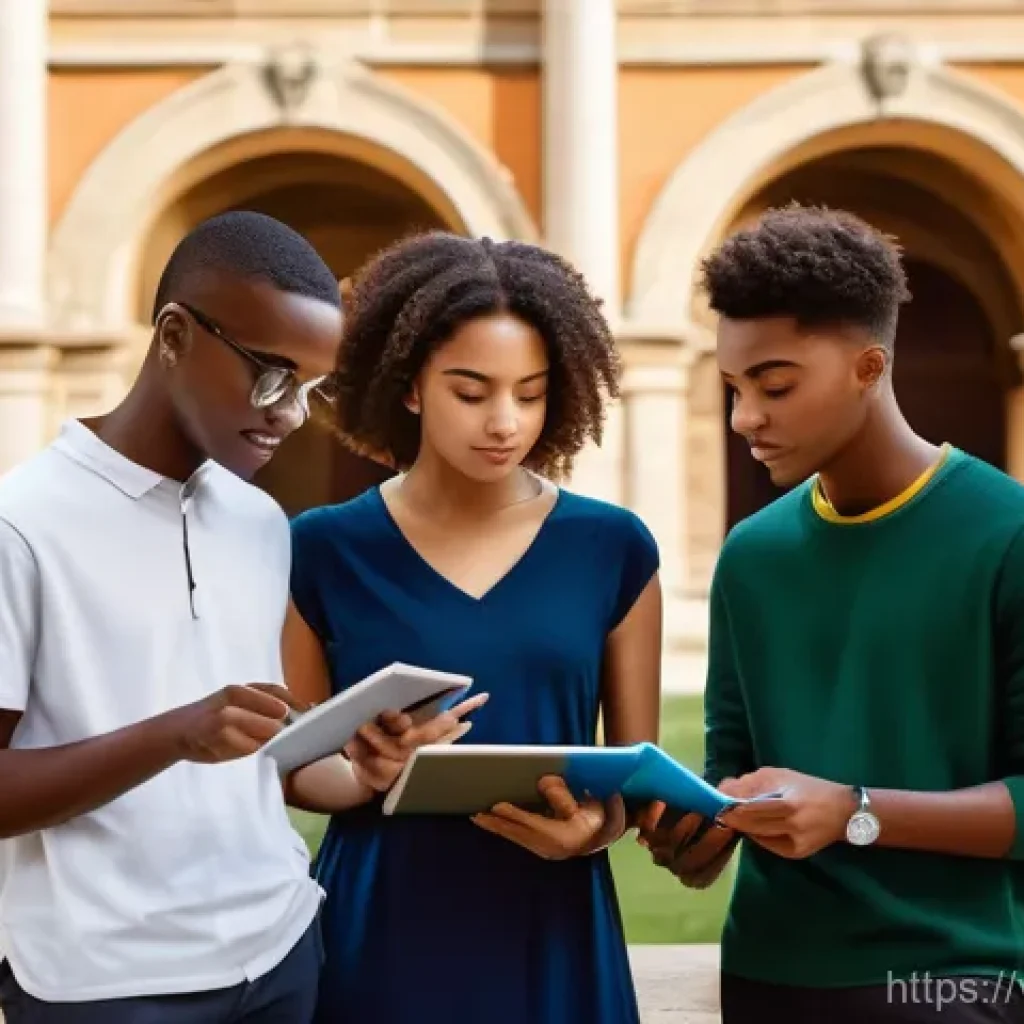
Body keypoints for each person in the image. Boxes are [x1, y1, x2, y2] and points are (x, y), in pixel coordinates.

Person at [0, 211, 473, 1024]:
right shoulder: (20, 524)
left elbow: (268, 767)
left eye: (310, 388)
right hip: (106, 984)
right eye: (271, 375)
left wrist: (365, 769)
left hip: (281, 951)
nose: (289, 413)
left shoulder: (258, 523)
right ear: (175, 336)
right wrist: (173, 734)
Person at [638, 205, 1024, 1023]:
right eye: (735, 388)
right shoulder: (753, 556)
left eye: (775, 386)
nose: (746, 419)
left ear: (868, 366)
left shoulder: (1008, 535)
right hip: (766, 976)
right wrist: (696, 837)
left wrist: (855, 812)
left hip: (953, 979)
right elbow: (729, 768)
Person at [283, 231, 663, 1024]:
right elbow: (292, 769)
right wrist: (366, 776)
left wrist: (593, 833)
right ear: (410, 386)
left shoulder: (615, 549)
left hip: (552, 924)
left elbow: (630, 776)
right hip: (382, 931)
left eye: (530, 392)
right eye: (471, 390)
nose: (505, 422)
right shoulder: (320, 549)